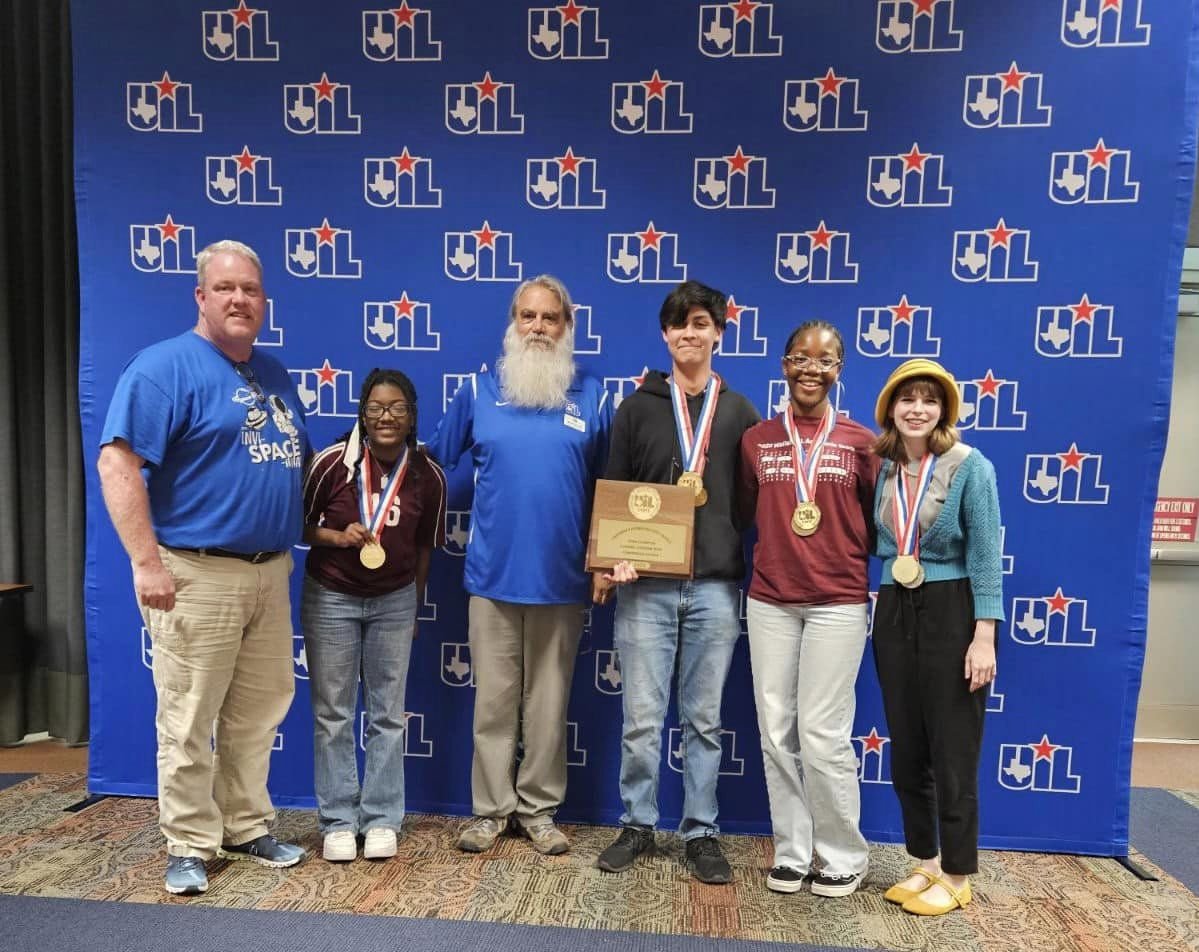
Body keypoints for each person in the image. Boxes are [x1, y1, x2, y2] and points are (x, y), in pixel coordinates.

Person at [97, 239, 309, 896]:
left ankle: (245, 825)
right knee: (189, 717)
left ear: (264, 302)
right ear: (201, 296)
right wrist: (145, 562)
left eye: (250, 289)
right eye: (226, 289)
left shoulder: (271, 372)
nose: (240, 299)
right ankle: (189, 842)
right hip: (196, 573)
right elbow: (118, 463)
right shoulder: (164, 368)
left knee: (257, 713)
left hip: (269, 574)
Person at [424, 275, 612, 856]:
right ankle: (490, 810)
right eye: (527, 316)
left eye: (550, 318)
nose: (537, 328)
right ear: (512, 323)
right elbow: (431, 464)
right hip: (491, 578)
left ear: (567, 327)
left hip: (562, 581)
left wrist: (604, 560)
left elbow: (610, 489)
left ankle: (537, 810)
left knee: (550, 706)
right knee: (494, 704)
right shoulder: (479, 390)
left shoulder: (594, 394)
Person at [593, 280, 760, 885]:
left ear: (719, 331)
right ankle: (638, 823)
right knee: (641, 715)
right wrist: (617, 560)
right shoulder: (636, 407)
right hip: (646, 588)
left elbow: (748, 507)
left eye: (700, 323)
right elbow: (613, 493)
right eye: (678, 324)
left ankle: (701, 832)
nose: (689, 333)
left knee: (704, 720)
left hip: (716, 587)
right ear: (664, 335)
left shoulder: (740, 412)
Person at [737, 321, 878, 898]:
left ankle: (843, 852)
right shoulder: (757, 439)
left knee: (822, 732)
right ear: (783, 364)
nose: (811, 369)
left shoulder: (861, 442)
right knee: (775, 733)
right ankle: (793, 852)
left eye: (824, 360)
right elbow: (748, 512)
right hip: (770, 598)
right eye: (799, 357)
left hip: (837, 602)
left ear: (839, 369)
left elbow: (875, 519)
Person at [870, 358, 1002, 916]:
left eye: (928, 399)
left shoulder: (972, 466)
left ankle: (958, 873)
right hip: (896, 608)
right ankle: (924, 862)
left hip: (954, 610)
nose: (917, 408)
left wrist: (984, 637)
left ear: (943, 408)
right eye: (907, 399)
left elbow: (985, 557)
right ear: (891, 410)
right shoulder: (885, 468)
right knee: (909, 747)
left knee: (953, 749)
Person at [301, 369, 446, 862]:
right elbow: (295, 525)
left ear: (412, 416)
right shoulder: (329, 464)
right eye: (376, 408)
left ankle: (382, 817)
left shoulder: (428, 473)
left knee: (387, 714)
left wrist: (414, 604)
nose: (386, 417)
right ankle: (339, 820)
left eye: (397, 408)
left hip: (395, 600)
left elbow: (426, 548)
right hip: (332, 597)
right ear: (361, 414)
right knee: (334, 713)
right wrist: (336, 537)